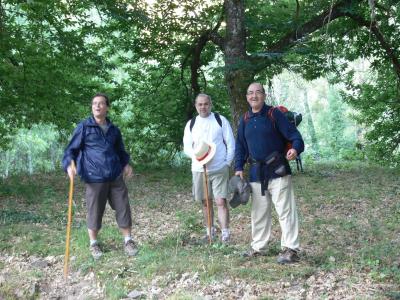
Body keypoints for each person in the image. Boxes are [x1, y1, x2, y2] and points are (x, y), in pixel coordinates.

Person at [235, 83, 304, 264]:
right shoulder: (245, 119)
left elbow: (295, 136)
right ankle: (258, 247)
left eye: (258, 92)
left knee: (285, 211)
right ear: (247, 97)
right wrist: (238, 167)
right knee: (258, 212)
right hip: (257, 173)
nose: (254, 96)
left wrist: (295, 150)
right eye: (250, 93)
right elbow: (240, 146)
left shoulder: (274, 114)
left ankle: (291, 249)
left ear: (264, 95)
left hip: (278, 170)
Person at [62, 93, 138, 259]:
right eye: (94, 103)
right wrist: (69, 164)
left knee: (123, 206)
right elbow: (71, 150)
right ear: (92, 107)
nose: (97, 106)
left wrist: (125, 164)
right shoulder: (84, 127)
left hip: (115, 175)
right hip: (94, 176)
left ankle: (128, 240)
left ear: (107, 107)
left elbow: (120, 151)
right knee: (95, 210)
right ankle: (94, 244)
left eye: (101, 103)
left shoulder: (114, 130)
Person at [183, 93, 235, 242]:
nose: (203, 107)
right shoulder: (191, 124)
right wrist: (198, 156)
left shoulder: (220, 120)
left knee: (220, 201)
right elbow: (187, 147)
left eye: (206, 104)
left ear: (210, 105)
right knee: (206, 202)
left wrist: (227, 163)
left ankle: (225, 233)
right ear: (196, 106)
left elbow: (230, 143)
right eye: (200, 104)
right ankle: (209, 232)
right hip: (199, 169)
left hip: (219, 167)